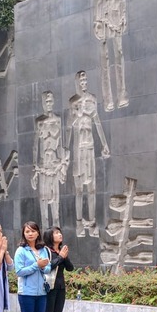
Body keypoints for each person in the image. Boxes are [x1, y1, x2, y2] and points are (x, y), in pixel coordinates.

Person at [67, 70, 110, 237]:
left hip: (90, 146)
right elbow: (69, 126)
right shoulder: (73, 102)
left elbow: (97, 121)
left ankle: (92, 222)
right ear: (77, 81)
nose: (84, 81)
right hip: (78, 149)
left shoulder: (92, 99)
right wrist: (65, 149)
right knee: (79, 189)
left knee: (91, 188)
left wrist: (104, 144)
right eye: (81, 78)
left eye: (86, 78)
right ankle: (79, 223)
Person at [14, 221, 51, 312]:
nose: (30, 234)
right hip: (26, 292)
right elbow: (19, 271)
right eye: (27, 231)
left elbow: (48, 268)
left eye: (33, 231)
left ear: (38, 233)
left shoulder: (42, 250)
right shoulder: (21, 251)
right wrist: (37, 265)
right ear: (23, 233)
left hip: (41, 291)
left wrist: (43, 266)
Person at [32, 91, 68, 230]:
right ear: (43, 103)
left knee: (55, 205)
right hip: (43, 166)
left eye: (51, 100)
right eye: (46, 101)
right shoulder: (39, 121)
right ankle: (45, 234)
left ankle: (57, 236)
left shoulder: (58, 120)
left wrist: (63, 165)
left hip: (54, 164)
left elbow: (60, 144)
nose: (49, 103)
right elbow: (35, 145)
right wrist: (34, 168)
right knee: (44, 203)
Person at [93, 0, 128, 110]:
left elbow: (123, 2)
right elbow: (98, 3)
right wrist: (97, 22)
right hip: (104, 23)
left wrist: (123, 16)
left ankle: (122, 96)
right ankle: (108, 100)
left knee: (119, 56)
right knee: (105, 62)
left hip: (117, 21)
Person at [42, 227, 74, 312]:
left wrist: (64, 257)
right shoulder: (46, 251)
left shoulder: (61, 251)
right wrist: (60, 257)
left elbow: (70, 268)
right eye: (56, 233)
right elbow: (48, 267)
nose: (59, 234)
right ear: (50, 236)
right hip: (50, 287)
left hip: (60, 287)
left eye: (60, 232)